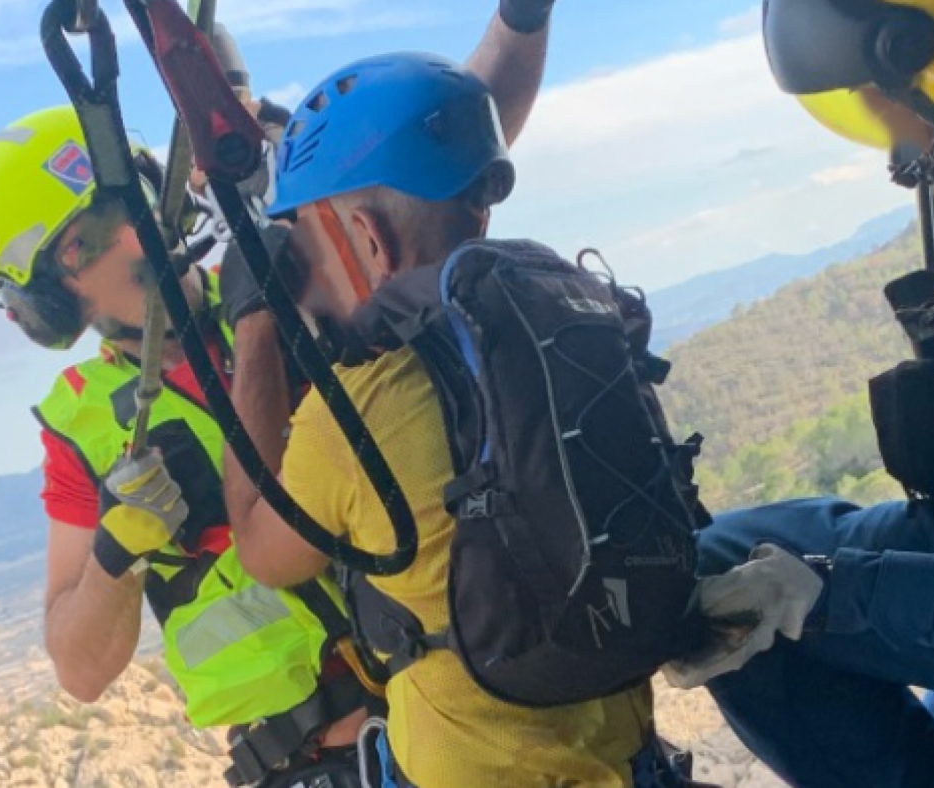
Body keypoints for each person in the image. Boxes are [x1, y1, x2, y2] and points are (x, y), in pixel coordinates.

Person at [0, 9, 554, 787]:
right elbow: (81, 668)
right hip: (316, 760)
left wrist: (520, 19)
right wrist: (114, 552)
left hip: (456, 701)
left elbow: (451, 138)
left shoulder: (288, 271)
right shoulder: (85, 429)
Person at [662, 2, 934, 787]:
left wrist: (829, 592)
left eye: (891, 112)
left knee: (746, 595)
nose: (903, 155)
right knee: (731, 559)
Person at [220, 48, 672, 788]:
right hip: (627, 754)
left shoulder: (360, 407)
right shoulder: (567, 320)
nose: (303, 270)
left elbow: (263, 550)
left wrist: (255, 327)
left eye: (304, 240)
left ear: (366, 238)